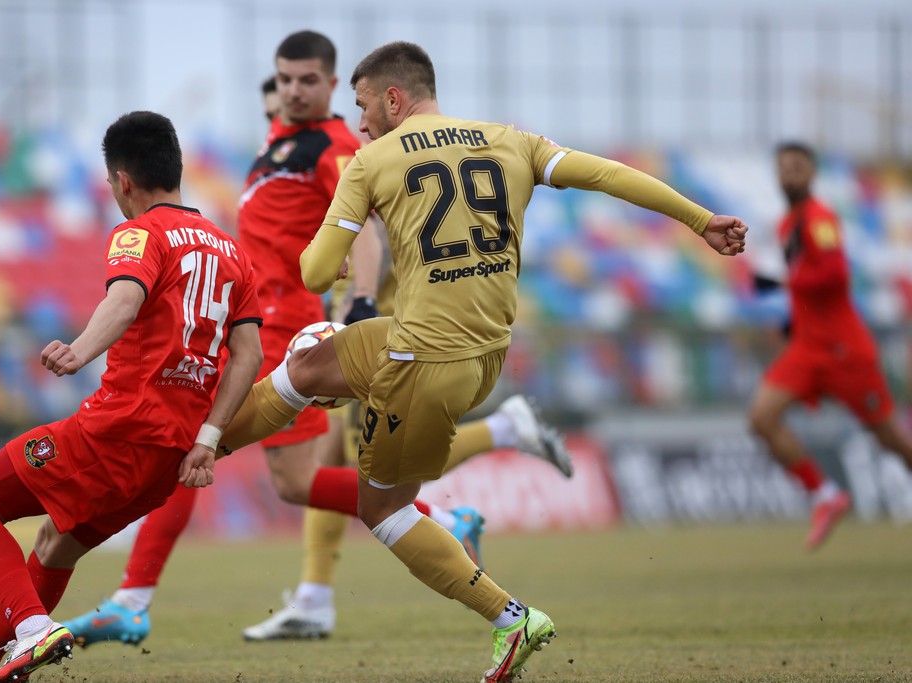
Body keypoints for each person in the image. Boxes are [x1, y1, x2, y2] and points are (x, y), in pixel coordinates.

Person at [173, 40, 746, 683]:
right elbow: (609, 175)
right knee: (311, 366)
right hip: (482, 359)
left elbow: (311, 269)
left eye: (362, 105)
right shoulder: (511, 140)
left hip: (420, 356)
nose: (358, 121)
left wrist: (333, 244)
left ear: (394, 98)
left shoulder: (372, 160)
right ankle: (210, 447)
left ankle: (509, 617)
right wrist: (700, 220)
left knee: (380, 504)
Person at [64, 34, 571, 648]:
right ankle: (368, 562)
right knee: (292, 478)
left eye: (306, 80)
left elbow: (366, 222)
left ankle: (135, 598)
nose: (292, 91)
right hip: (264, 323)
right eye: (284, 81)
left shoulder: (333, 148)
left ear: (333, 86)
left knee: (193, 450)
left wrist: (358, 301)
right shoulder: (276, 148)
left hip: (284, 331)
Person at [0, 111, 265, 683]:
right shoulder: (232, 252)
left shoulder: (140, 232)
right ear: (176, 169)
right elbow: (251, 356)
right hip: (170, 456)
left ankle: (34, 630)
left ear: (123, 182)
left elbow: (124, 301)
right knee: (56, 544)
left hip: (116, 431)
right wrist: (208, 440)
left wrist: (78, 350)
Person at [748, 142, 912, 551]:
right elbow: (812, 288)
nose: (789, 175)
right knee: (761, 418)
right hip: (807, 348)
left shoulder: (820, 218)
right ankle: (825, 495)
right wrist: (791, 321)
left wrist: (783, 284)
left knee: (889, 437)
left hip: (844, 351)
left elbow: (835, 275)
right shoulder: (789, 223)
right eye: (783, 168)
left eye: (797, 167)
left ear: (812, 173)